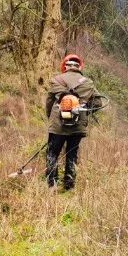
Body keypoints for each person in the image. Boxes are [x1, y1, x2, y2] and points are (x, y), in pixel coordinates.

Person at [45, 54, 99, 191]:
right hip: (78, 126)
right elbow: (98, 103)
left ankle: (52, 185)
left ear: (65, 66)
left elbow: (49, 102)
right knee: (72, 154)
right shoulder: (88, 83)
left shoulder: (56, 80)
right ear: (79, 67)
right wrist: (83, 112)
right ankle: (69, 186)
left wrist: (50, 118)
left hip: (57, 125)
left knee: (52, 153)